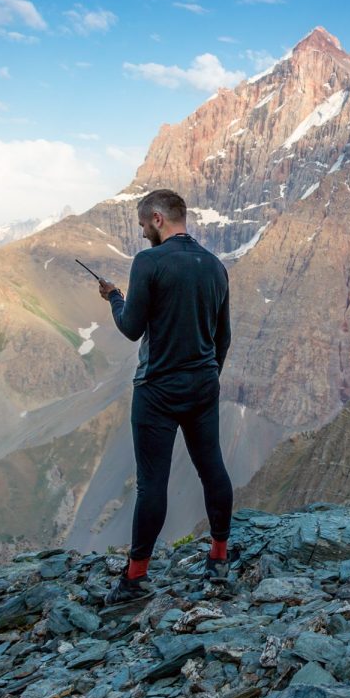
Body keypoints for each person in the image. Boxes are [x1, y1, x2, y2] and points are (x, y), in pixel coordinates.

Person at [99, 188, 235, 605]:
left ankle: (136, 578)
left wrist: (115, 298)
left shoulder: (149, 262)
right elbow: (223, 337)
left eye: (143, 226)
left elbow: (132, 327)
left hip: (157, 390)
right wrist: (209, 378)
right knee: (212, 467)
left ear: (158, 218)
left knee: (152, 483)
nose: (143, 235)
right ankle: (218, 557)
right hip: (201, 386)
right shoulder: (215, 267)